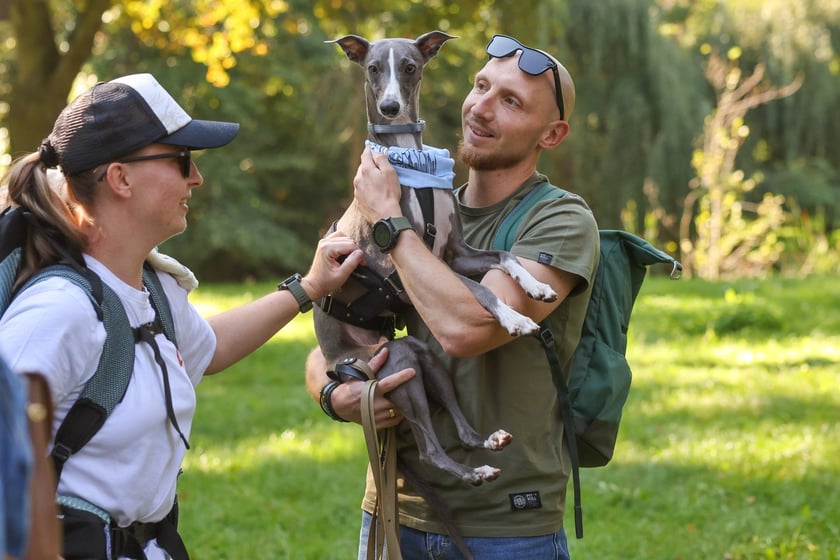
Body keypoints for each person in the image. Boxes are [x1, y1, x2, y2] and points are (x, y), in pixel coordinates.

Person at [0, 73, 364, 559]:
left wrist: (311, 286)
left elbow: (208, 347)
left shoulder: (151, 288)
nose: (196, 178)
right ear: (120, 178)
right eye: (181, 159)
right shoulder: (58, 311)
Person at [305, 34, 600, 559]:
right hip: (394, 508)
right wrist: (333, 392)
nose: (482, 108)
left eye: (511, 102)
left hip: (506, 527)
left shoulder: (560, 219)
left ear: (551, 134)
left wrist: (388, 221)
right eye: (481, 87)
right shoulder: (425, 204)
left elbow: (464, 330)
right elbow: (334, 334)